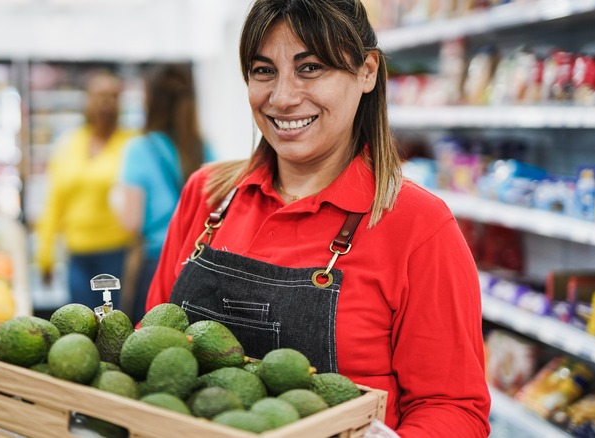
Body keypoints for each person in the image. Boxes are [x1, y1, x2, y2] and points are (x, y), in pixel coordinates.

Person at [144, 0, 491, 436]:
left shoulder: (418, 225)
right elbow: (153, 341)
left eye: (310, 68)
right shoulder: (209, 194)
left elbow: (453, 408)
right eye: (263, 70)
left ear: (366, 71)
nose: (283, 98)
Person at [112, 63, 214, 323]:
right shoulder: (204, 149)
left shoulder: (139, 149)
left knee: (149, 348)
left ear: (150, 100)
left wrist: (114, 199)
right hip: (200, 269)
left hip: (156, 267)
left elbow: (130, 222)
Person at [35, 70, 136, 310]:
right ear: (87, 100)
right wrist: (45, 254)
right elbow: (54, 202)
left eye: (113, 96)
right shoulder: (69, 144)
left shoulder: (132, 145)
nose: (106, 103)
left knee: (114, 326)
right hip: (77, 255)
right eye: (99, 96)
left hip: (117, 253)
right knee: (81, 323)